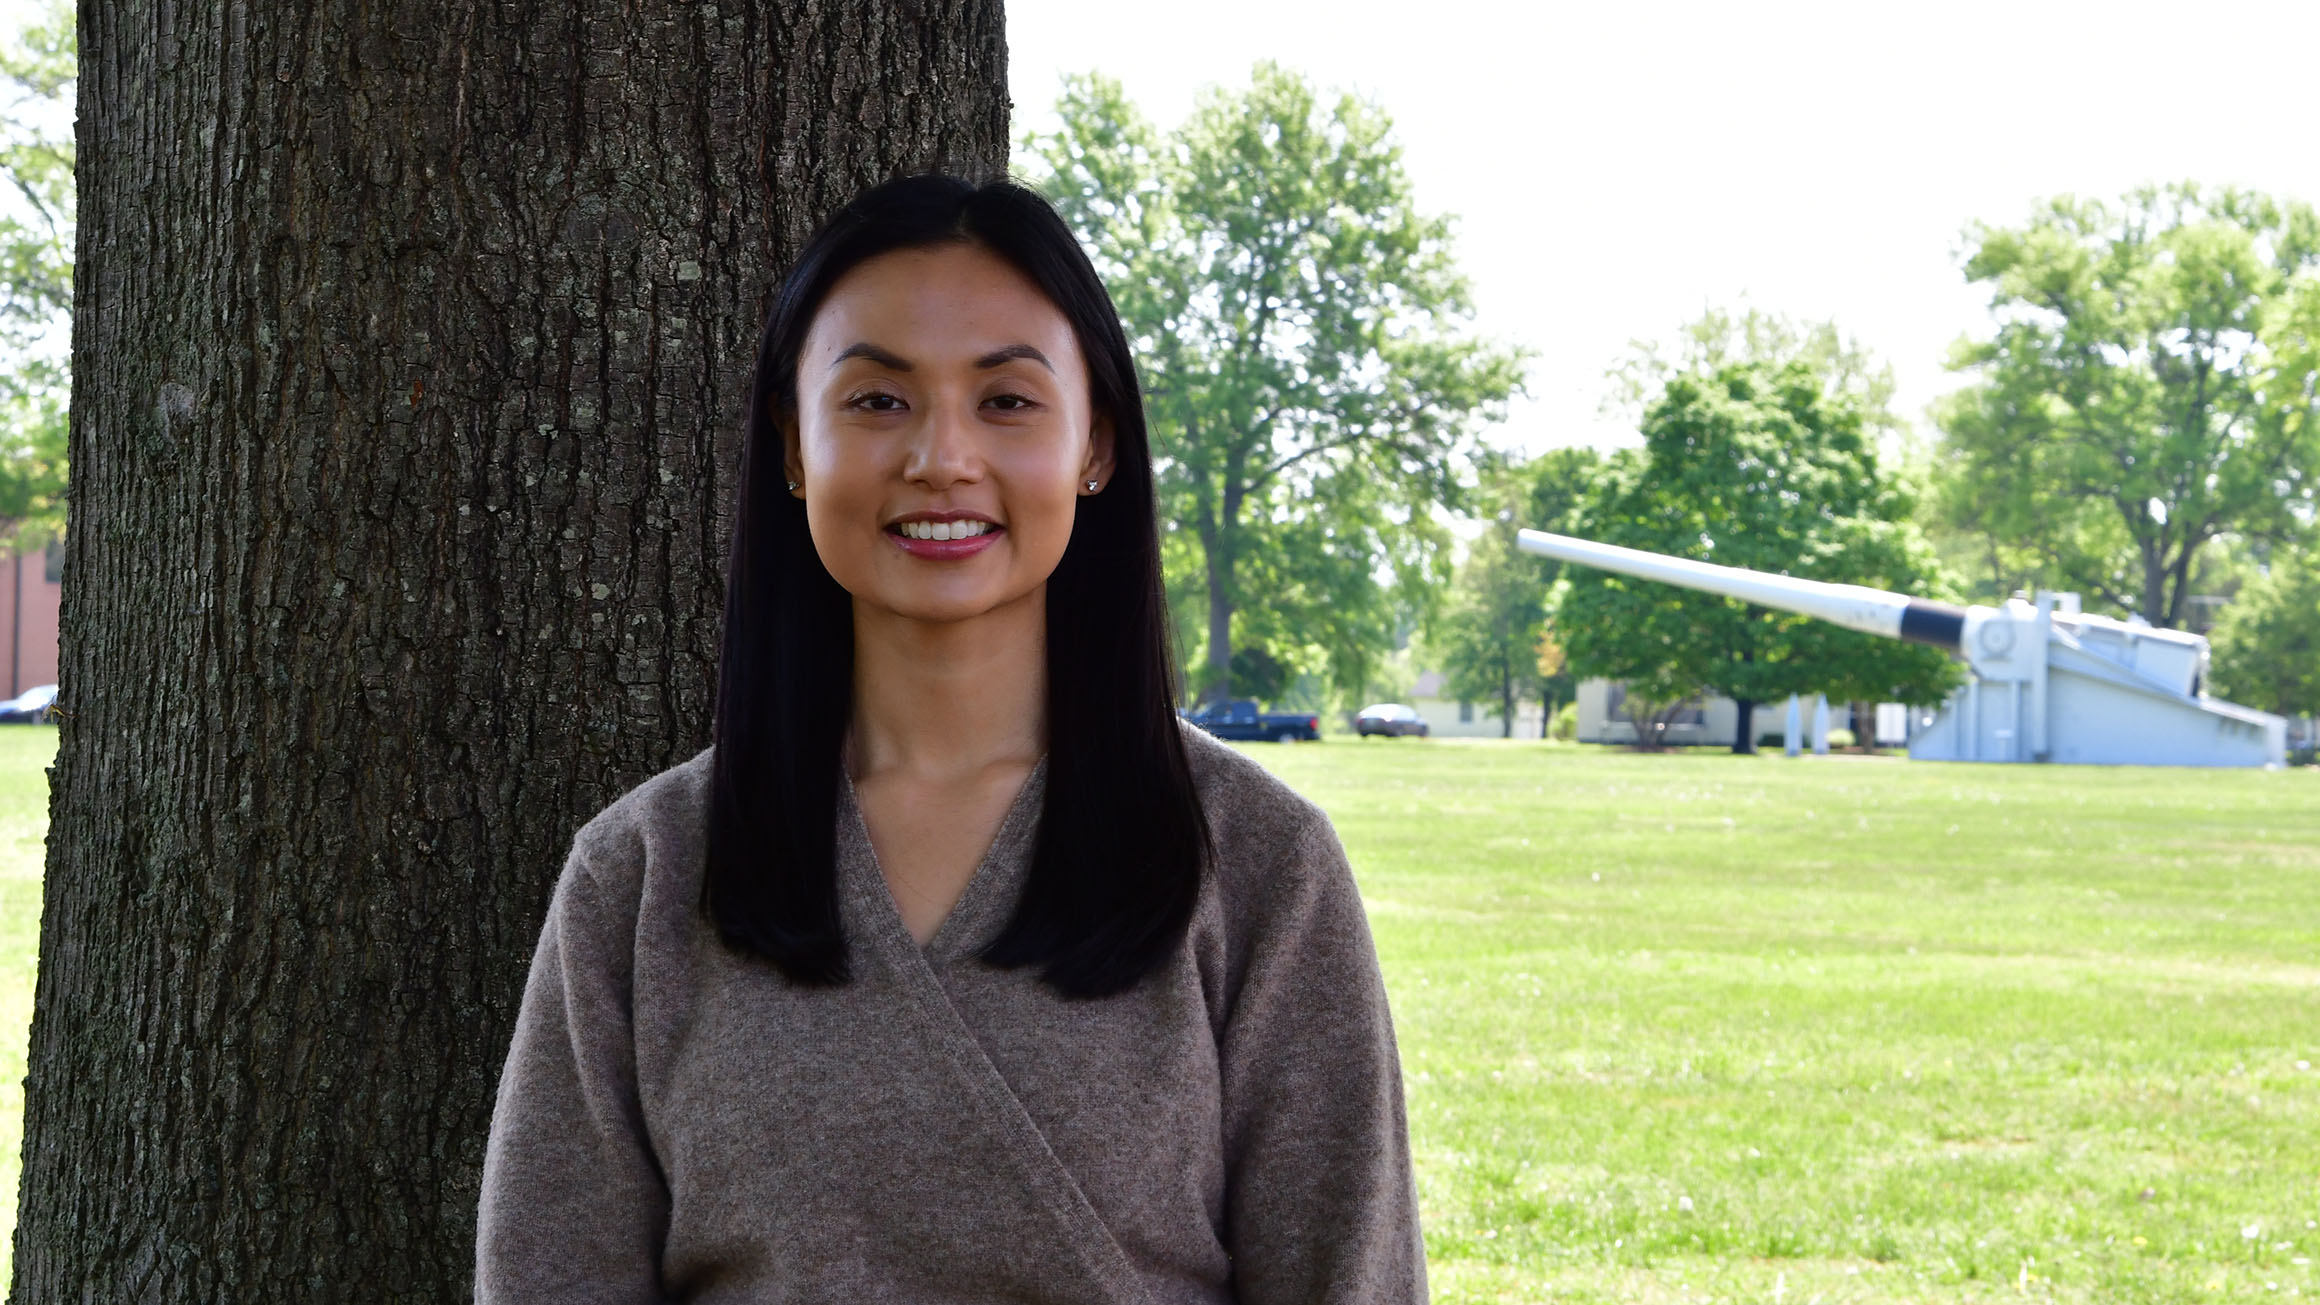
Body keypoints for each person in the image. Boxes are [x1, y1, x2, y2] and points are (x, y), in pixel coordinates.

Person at [474, 173, 1425, 1303]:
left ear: (1097, 445)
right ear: (793, 443)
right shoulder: (642, 872)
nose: (942, 457)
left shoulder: (1257, 863)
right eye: (877, 400)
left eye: (1007, 401)